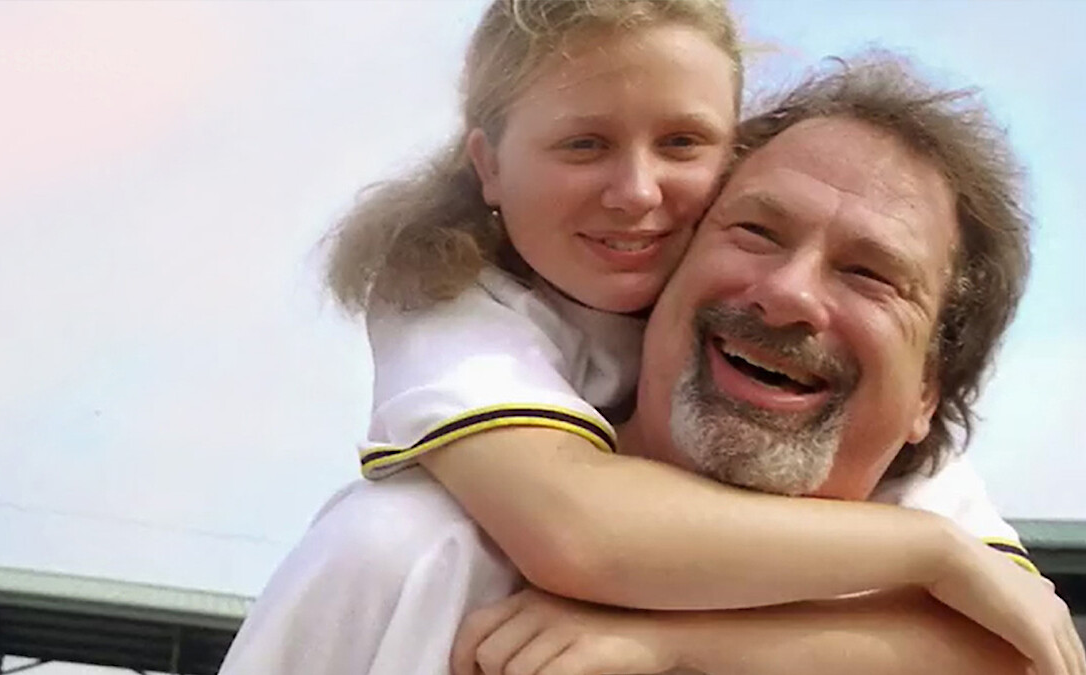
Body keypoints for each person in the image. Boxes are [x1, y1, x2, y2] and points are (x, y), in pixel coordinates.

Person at [220, 0, 1077, 671]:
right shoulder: (450, 315)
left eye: (870, 273)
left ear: (931, 388)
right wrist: (928, 554)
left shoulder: (915, 503)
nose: (636, 194)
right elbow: (576, 529)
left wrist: (678, 640)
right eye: (757, 233)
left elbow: (1018, 642)